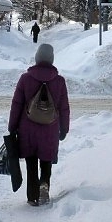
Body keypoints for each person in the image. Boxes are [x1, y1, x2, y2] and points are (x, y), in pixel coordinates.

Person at [8, 44, 70, 206]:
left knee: (31, 162)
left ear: (37, 58)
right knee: (46, 160)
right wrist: (64, 129)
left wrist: (12, 126)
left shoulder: (25, 79)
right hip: (50, 129)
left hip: (27, 129)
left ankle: (32, 196)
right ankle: (44, 185)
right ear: (52, 59)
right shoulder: (59, 81)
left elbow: (16, 104)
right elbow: (64, 107)